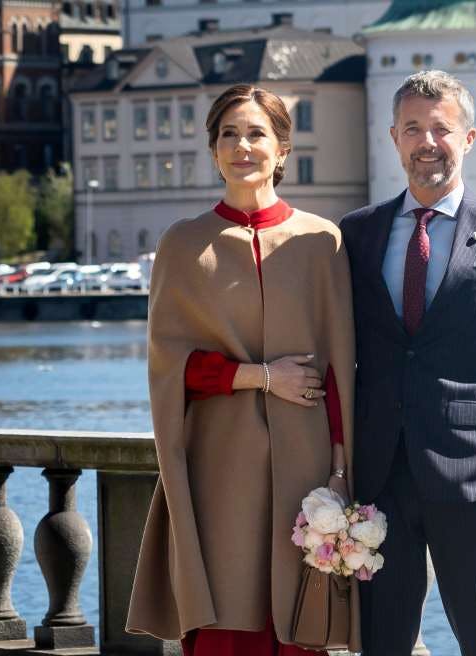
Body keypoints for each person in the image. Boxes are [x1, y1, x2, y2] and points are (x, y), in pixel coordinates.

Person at [126, 84, 358, 655]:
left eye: (256, 133)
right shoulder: (184, 245)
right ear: (213, 150)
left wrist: (339, 471)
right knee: (227, 626)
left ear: (282, 149)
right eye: (228, 134)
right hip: (218, 469)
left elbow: (339, 372)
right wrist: (261, 377)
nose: (242, 146)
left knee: (301, 624)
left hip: (305, 470)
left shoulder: (322, 242)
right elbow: (169, 367)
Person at [338, 70, 476, 656]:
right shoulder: (357, 234)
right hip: (378, 476)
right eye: (412, 129)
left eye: (442, 129)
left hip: (474, 478)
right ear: (393, 139)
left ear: (469, 138)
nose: (428, 142)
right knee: (380, 643)